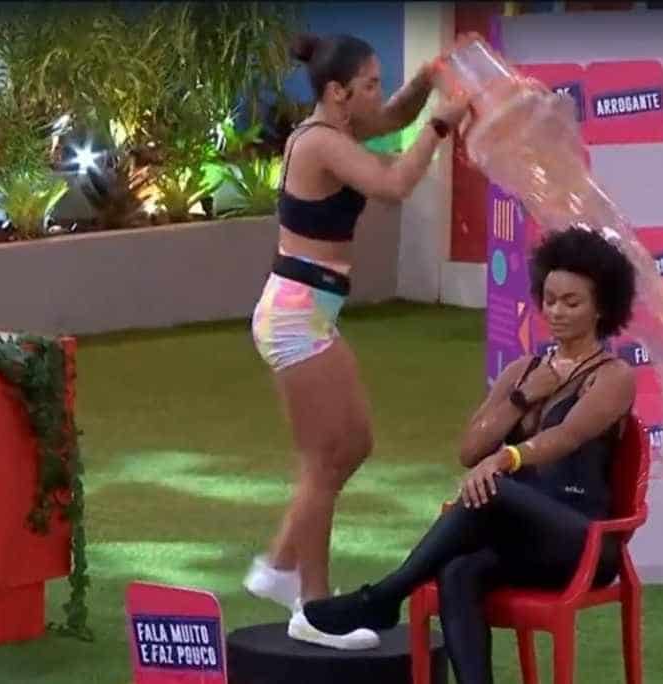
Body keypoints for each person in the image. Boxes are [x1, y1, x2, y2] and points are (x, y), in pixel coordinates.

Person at [299, 227, 638, 682]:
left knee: (494, 486)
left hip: (584, 542)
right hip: (524, 540)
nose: (556, 311)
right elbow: (469, 449)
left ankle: (384, 596)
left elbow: (567, 436)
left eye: (571, 303)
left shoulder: (613, 377)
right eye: (550, 299)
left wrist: (505, 459)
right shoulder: (524, 370)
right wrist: (522, 396)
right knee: (459, 572)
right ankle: (392, 608)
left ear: (602, 308)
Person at [244, 31, 473, 650]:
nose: (379, 92)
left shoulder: (342, 127)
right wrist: (441, 125)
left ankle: (279, 565)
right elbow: (394, 184)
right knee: (326, 461)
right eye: (369, 84)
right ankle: (313, 609)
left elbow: (394, 116)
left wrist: (425, 80)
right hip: (295, 317)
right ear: (337, 92)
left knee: (354, 446)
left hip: (310, 312)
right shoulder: (321, 142)